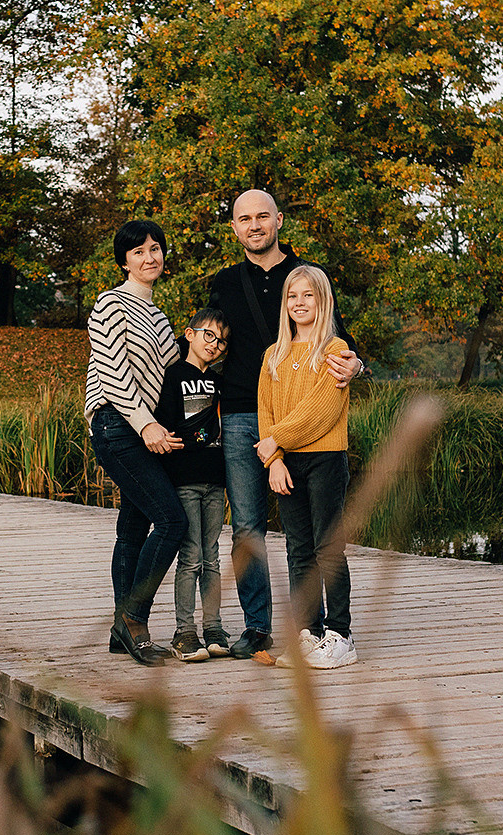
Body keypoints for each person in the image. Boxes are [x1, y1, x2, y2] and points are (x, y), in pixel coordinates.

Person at [203, 189, 361, 660]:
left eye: (262, 217)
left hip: (301, 427)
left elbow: (341, 341)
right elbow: (207, 344)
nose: (254, 225)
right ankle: (259, 627)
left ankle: (327, 630)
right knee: (248, 526)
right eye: (243, 219)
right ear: (235, 228)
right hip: (240, 415)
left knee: (313, 537)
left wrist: (357, 366)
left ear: (279, 221)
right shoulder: (225, 283)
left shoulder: (306, 278)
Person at [85, 220, 187, 665]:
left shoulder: (161, 319)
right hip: (117, 425)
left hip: (146, 430)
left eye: (156, 249)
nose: (150, 257)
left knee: (133, 527)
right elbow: (113, 373)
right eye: (139, 251)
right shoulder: (110, 304)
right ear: (123, 260)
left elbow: (173, 375)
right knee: (171, 521)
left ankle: (118, 630)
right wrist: (146, 426)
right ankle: (133, 620)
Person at [254, 264, 357, 669]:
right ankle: (308, 633)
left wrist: (274, 441)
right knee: (298, 551)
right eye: (292, 296)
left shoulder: (334, 350)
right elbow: (265, 410)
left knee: (327, 548)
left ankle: (341, 635)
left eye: (308, 295)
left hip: (326, 460)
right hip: (286, 464)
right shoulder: (273, 355)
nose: (299, 303)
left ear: (323, 299)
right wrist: (274, 460)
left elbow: (320, 411)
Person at [154, 306, 230, 662]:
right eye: (209, 335)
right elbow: (170, 425)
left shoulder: (218, 381)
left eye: (221, 341)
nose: (214, 345)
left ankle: (213, 627)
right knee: (191, 558)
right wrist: (196, 435)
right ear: (190, 334)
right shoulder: (173, 376)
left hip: (215, 480)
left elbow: (220, 428)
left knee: (212, 557)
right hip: (184, 479)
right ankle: (185, 632)